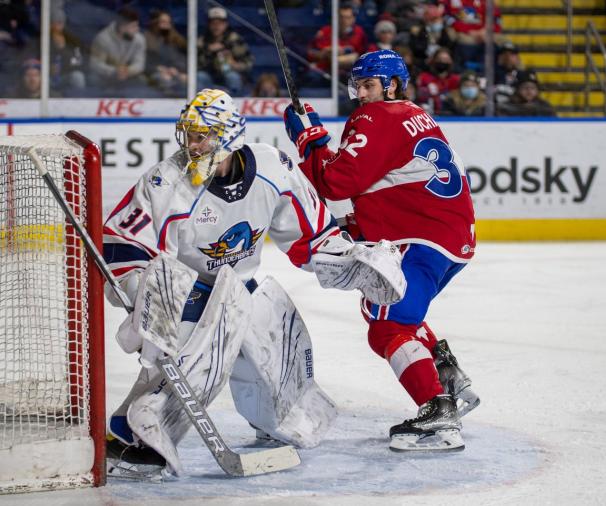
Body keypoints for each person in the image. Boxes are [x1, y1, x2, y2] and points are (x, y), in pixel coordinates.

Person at [103, 88, 405, 475]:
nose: (191, 145)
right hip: (189, 296)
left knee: (285, 378)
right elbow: (124, 245)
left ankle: (270, 426)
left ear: (228, 137)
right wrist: (145, 297)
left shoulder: (273, 168)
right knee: (193, 369)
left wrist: (350, 258)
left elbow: (309, 235)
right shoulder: (167, 183)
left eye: (202, 136)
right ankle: (132, 438)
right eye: (188, 135)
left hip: (242, 287)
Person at [283, 49, 480, 452]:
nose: (361, 94)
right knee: (390, 314)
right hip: (448, 239)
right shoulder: (415, 116)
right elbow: (394, 183)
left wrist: (309, 141)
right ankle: (448, 379)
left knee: (388, 326)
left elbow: (337, 182)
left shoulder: (377, 117)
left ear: (391, 85)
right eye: (357, 86)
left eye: (369, 85)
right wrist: (358, 225)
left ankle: (437, 409)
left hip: (422, 239)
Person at [89, 6, 147, 96]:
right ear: (122, 27)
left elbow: (140, 64)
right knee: (92, 78)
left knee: (142, 80)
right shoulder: (103, 39)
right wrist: (114, 71)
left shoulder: (139, 39)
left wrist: (128, 70)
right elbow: (95, 64)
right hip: (105, 76)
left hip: (126, 75)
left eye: (137, 25)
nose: (137, 29)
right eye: (133, 26)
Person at [197, 6, 253, 96]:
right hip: (209, 75)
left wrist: (234, 64)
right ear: (209, 25)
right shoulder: (202, 41)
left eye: (219, 23)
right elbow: (196, 65)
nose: (216, 26)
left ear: (225, 24)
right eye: (213, 23)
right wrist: (208, 51)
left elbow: (248, 63)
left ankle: (234, 102)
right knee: (199, 76)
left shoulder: (235, 40)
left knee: (232, 77)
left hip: (230, 73)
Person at [145, 10, 187, 97]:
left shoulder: (175, 39)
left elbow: (180, 59)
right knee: (164, 80)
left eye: (168, 22)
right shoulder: (146, 38)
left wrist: (178, 69)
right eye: (163, 22)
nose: (166, 25)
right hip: (153, 73)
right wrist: (158, 68)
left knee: (189, 80)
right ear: (154, 23)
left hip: (173, 72)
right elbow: (144, 62)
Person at [415, 46, 460, 115]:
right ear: (434, 60)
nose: (442, 62)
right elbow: (419, 95)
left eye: (446, 59)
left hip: (451, 114)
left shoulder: (456, 79)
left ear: (451, 61)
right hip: (429, 113)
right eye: (439, 59)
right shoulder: (424, 77)